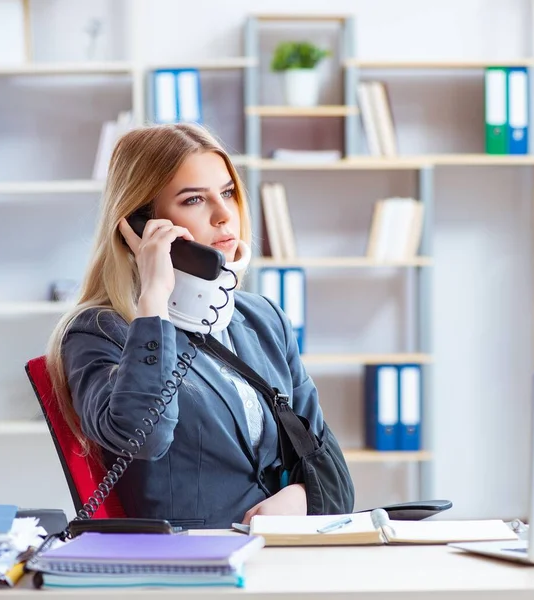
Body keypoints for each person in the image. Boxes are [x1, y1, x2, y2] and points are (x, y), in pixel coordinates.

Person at [47, 123, 353, 529]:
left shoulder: (263, 320)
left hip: (279, 554)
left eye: (227, 193)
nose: (225, 215)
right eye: (194, 199)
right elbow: (146, 437)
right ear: (140, 223)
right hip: (187, 567)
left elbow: (334, 474)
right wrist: (153, 301)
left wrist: (299, 497)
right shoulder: (99, 332)